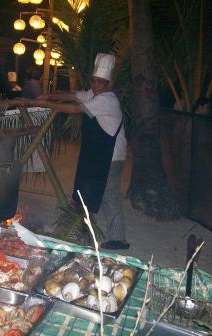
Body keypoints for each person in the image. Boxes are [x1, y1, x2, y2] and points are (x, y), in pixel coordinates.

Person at [16, 53, 129, 250]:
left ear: (108, 84)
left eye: (100, 82)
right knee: (88, 189)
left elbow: (77, 109)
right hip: (99, 152)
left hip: (112, 155)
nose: (95, 86)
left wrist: (44, 104)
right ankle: (84, 228)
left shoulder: (108, 100)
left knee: (109, 195)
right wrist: (49, 95)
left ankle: (118, 238)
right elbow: (73, 95)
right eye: (94, 81)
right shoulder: (95, 94)